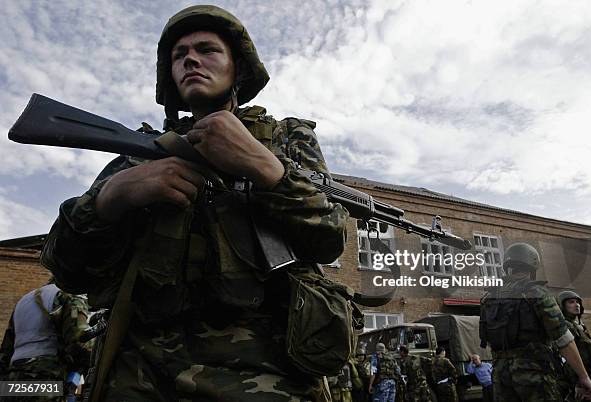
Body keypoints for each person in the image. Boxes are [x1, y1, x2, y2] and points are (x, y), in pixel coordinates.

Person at [41, 4, 351, 402]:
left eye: (207, 49)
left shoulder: (285, 139)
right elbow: (64, 269)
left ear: (237, 68)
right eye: (179, 55)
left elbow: (330, 238)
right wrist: (113, 197)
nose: (190, 58)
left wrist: (266, 169)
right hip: (140, 375)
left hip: (267, 375)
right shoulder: (138, 154)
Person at [480, 242, 591, 402]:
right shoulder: (536, 292)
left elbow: (488, 340)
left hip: (500, 375)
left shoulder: (490, 297)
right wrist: (583, 376)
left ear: (508, 264)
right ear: (533, 264)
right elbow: (563, 339)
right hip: (533, 373)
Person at [0, 282, 91, 401]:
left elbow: (5, 352)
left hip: (12, 383)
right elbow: (79, 342)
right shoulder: (68, 296)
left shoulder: (23, 301)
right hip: (46, 381)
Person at [558, 290, 591, 402]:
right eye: (571, 302)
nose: (576, 305)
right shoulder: (565, 327)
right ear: (562, 306)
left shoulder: (579, 327)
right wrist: (577, 382)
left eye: (577, 302)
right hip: (582, 379)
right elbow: (567, 356)